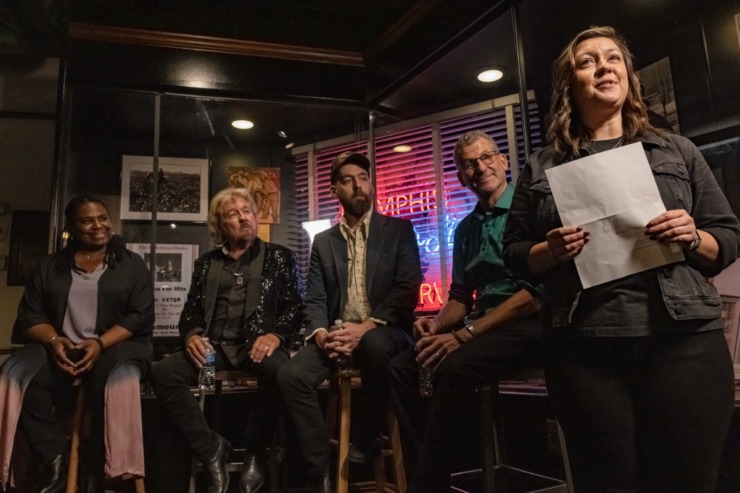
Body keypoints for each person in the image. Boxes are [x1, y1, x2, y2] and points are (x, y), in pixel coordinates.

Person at [502, 26, 740, 493]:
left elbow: (727, 239)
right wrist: (547, 251)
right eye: (587, 61)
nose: (603, 66)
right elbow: (513, 255)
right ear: (570, 83)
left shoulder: (677, 150)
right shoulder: (542, 165)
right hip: (585, 349)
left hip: (684, 343)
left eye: (613, 58)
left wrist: (693, 235)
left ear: (628, 76)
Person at [388, 130, 542, 492]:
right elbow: (460, 296)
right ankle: (429, 478)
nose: (480, 167)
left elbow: (533, 296)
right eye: (469, 164)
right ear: (460, 176)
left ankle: (425, 486)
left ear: (504, 161)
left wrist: (465, 335)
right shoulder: (465, 229)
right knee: (402, 367)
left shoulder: (530, 211)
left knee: (453, 365)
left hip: (526, 322)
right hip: (482, 329)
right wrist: (437, 323)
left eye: (487, 157)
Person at [277, 150, 422, 493]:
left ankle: (368, 435)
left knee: (373, 345)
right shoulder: (324, 242)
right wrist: (324, 334)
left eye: (363, 178)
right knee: (290, 375)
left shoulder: (398, 230)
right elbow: (315, 298)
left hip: (385, 332)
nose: (358, 185)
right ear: (334, 190)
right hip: (337, 335)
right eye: (347, 180)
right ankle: (321, 467)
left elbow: (407, 289)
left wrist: (366, 327)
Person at [150, 188, 302, 493]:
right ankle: (211, 449)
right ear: (220, 224)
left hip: (255, 346)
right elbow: (191, 310)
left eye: (247, 210)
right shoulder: (206, 263)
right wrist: (192, 335)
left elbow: (295, 308)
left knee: (281, 372)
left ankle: (255, 453)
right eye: (233, 213)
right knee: (163, 373)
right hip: (213, 350)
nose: (243, 217)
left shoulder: (279, 257)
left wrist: (276, 335)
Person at [0, 195, 154, 493]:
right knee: (16, 374)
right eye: (87, 220)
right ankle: (53, 456)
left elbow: (140, 315)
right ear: (71, 227)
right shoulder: (49, 266)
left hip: (115, 347)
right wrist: (55, 341)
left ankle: (99, 469)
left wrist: (99, 343)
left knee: (108, 380)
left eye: (103, 218)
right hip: (60, 347)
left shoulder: (131, 265)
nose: (98, 226)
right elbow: (31, 315)